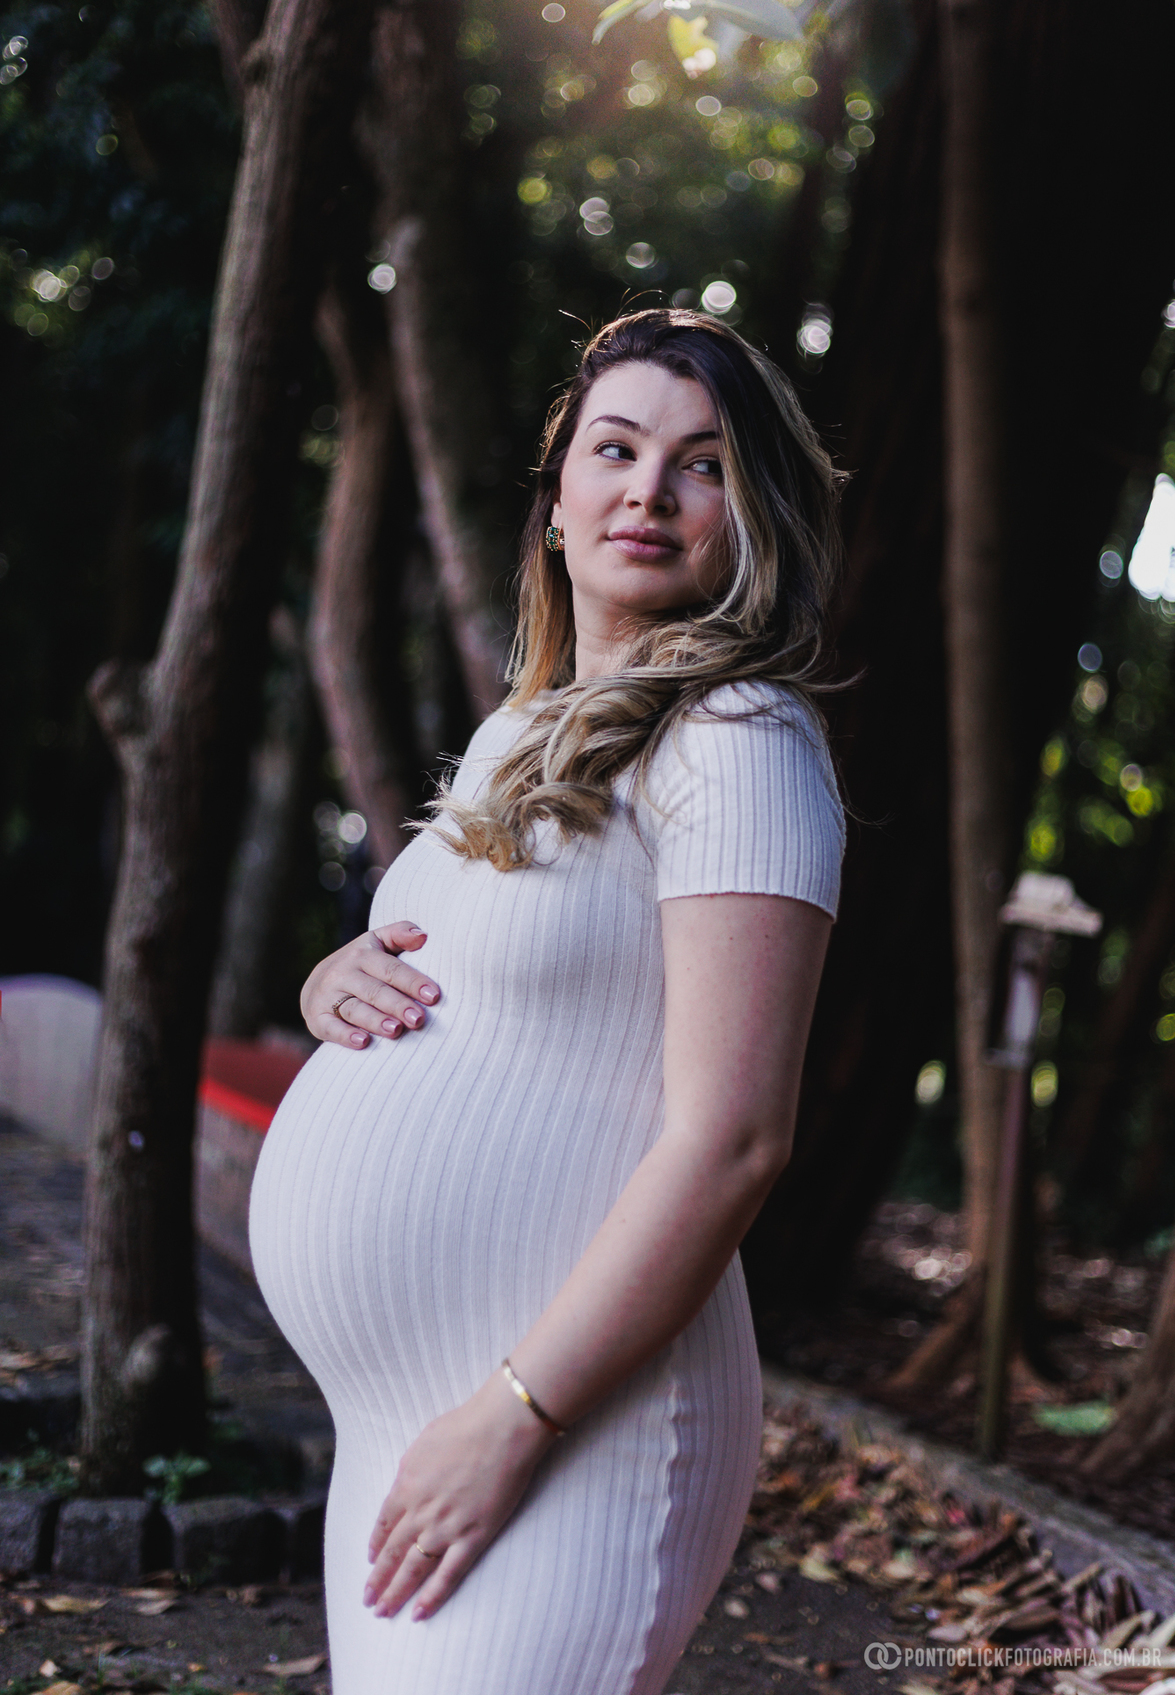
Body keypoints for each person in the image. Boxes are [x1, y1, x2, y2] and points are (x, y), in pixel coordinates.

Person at [249, 308, 846, 1695]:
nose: (650, 490)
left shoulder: (742, 739)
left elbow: (735, 1139)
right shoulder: (524, 732)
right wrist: (332, 981)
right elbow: (470, 973)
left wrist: (516, 1416)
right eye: (616, 450)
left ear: (751, 519)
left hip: (569, 1424)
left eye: (703, 465)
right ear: (558, 499)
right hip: (408, 1423)